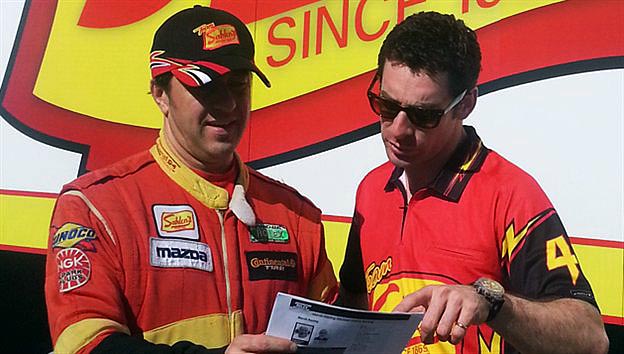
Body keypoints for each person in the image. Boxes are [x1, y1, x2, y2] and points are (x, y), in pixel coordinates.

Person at [44, 6, 337, 354]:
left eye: (238, 86)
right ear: (160, 93)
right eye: (207, 87)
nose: (228, 104)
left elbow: (332, 338)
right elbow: (84, 344)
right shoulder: (94, 207)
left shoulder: (296, 216)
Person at [337, 11, 609, 354]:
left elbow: (591, 339)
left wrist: (492, 304)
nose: (398, 130)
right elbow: (354, 307)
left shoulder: (510, 193)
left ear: (466, 104)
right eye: (387, 106)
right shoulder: (370, 190)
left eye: (424, 115)